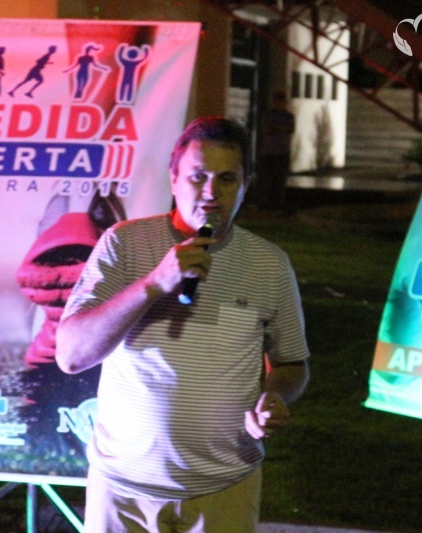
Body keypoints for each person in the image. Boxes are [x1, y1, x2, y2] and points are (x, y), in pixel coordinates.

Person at [57, 116, 310, 532]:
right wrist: (154, 283)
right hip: (123, 492)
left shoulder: (269, 264)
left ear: (246, 184)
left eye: (227, 179)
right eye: (198, 176)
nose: (211, 192)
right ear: (173, 179)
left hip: (225, 488)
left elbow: (292, 365)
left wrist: (275, 396)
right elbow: (71, 355)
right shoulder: (124, 243)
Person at [255, 89, 295, 212]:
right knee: (267, 180)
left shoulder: (288, 116)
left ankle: (276, 205)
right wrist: (281, 128)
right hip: (268, 153)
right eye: (277, 101)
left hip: (282, 153)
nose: (279, 104)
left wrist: (276, 128)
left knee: (279, 181)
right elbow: (267, 129)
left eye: (281, 101)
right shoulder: (268, 115)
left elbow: (290, 129)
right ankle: (265, 205)